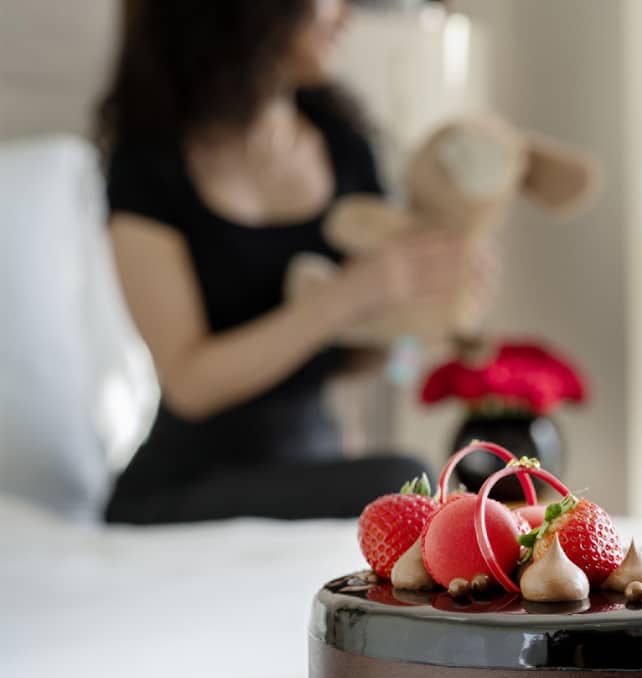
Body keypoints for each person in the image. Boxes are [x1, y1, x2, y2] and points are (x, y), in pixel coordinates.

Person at [98, 0, 489, 523]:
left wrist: (419, 318)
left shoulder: (345, 145)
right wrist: (350, 294)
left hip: (315, 465)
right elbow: (190, 384)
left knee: (415, 485)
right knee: (406, 477)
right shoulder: (147, 168)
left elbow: (361, 357)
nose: (345, 15)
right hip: (183, 486)